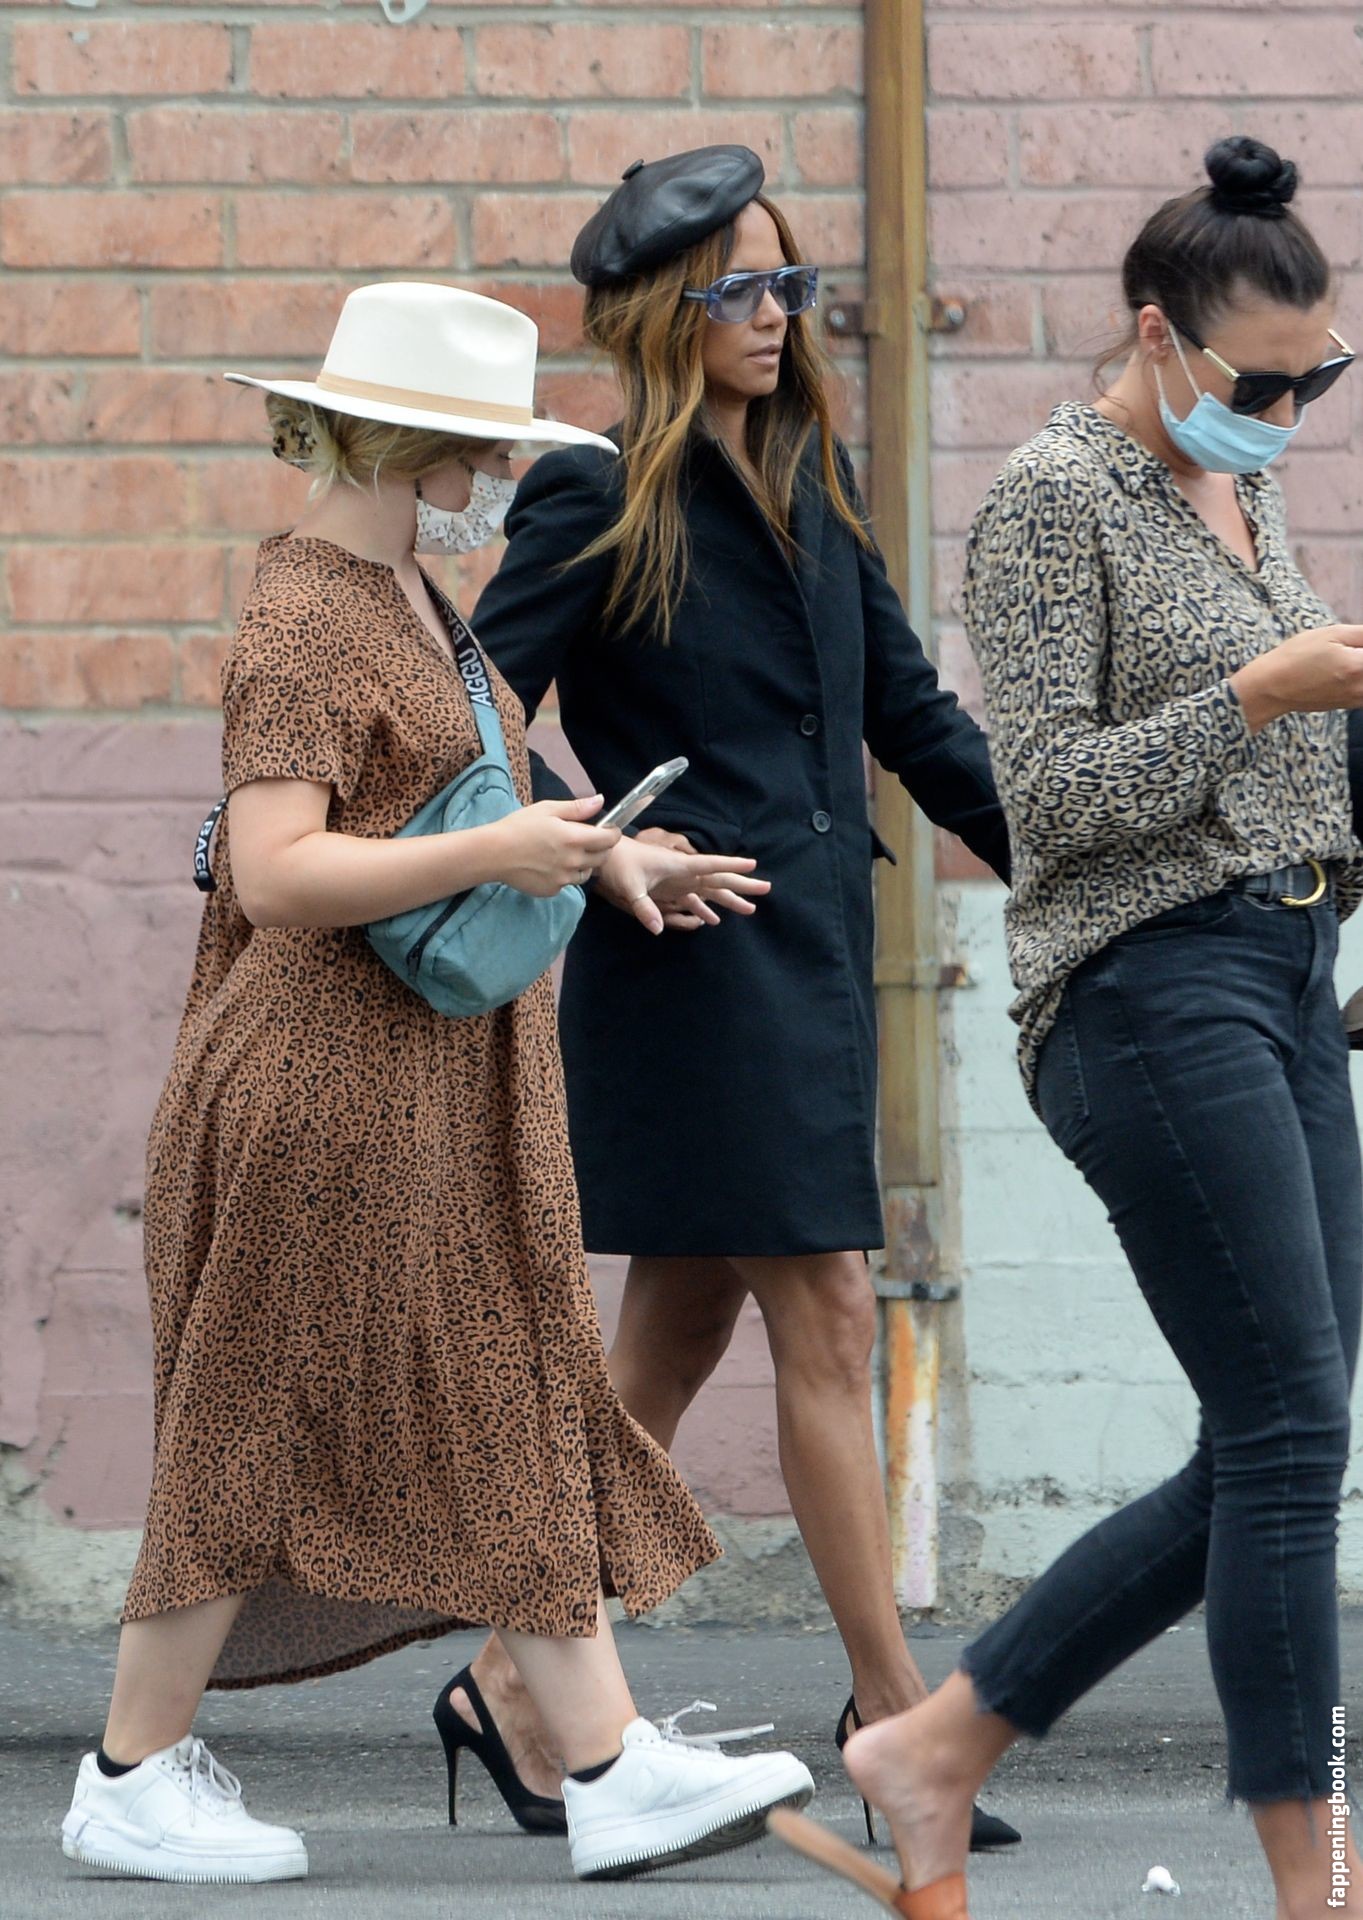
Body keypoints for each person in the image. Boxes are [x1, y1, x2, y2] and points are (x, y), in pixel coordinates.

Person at [58, 280, 815, 1889]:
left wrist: (602, 861)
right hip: (322, 1091)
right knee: (253, 1422)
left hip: (423, 1084)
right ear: (407, 443)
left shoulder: (406, 593)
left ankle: (604, 1764)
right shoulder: (309, 615)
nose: (499, 476)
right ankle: (128, 1776)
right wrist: (503, 852)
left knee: (506, 1394)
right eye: (481, 446)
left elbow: (447, 797)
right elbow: (274, 871)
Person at [771, 136, 1363, 1920]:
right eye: (1260, 382)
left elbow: (1295, 777)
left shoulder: (1238, 496)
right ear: (1157, 334)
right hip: (1143, 984)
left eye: (1319, 380)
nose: (1287, 413)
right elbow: (1046, 802)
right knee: (1287, 1436)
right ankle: (1318, 1881)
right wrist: (1256, 693)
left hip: (1286, 976)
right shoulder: (1053, 497)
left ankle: (934, 1749)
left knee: (1278, 1437)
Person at [430, 146, 1019, 1855]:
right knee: (828, 1306)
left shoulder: (809, 470)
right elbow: (467, 713)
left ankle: (510, 1681)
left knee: (675, 1336)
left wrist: (1067, 863)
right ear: (657, 316)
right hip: (693, 969)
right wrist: (602, 841)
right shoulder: (594, 493)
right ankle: (892, 1717)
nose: (776, 316)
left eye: (788, 283)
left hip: (809, 957)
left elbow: (911, 715)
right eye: (739, 291)